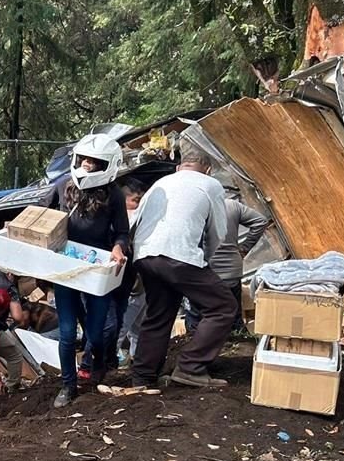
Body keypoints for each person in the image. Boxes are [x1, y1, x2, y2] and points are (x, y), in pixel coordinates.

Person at [130, 139, 236, 389]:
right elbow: (218, 232)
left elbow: (136, 221)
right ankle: (191, 367)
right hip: (179, 255)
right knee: (223, 307)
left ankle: (143, 377)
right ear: (208, 170)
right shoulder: (211, 184)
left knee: (159, 313)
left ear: (179, 168)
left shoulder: (160, 183)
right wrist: (205, 260)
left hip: (145, 255)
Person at [50, 134, 129, 408]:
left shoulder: (114, 195)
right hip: (65, 268)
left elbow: (122, 232)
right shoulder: (63, 185)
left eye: (93, 161)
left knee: (95, 334)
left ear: (106, 165)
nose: (86, 164)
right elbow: (42, 216)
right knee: (67, 332)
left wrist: (118, 247)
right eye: (83, 158)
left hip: (97, 269)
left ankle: (99, 365)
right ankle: (68, 386)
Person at [80, 177, 148, 374]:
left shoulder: (133, 220)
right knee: (107, 325)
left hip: (126, 281)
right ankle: (88, 365)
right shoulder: (104, 218)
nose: (138, 205)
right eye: (135, 200)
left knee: (117, 324)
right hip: (102, 279)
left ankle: (108, 365)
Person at [185, 198, 268, 333]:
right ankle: (239, 339)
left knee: (196, 319)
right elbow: (261, 221)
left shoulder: (194, 207)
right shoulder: (231, 205)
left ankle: (196, 340)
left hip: (203, 275)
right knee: (233, 314)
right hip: (231, 273)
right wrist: (244, 248)